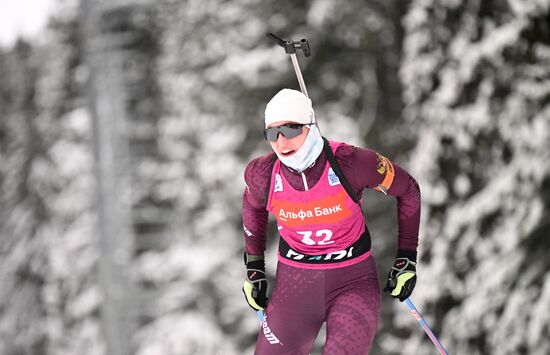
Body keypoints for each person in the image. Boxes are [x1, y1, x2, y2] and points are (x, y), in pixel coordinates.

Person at [241, 88, 420, 354]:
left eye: (290, 129)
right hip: (295, 287)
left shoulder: (352, 163)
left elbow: (409, 190)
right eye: (271, 133)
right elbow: (252, 207)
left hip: (354, 283)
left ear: (310, 126)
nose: (281, 141)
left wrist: (406, 258)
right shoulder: (263, 174)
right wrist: (254, 268)